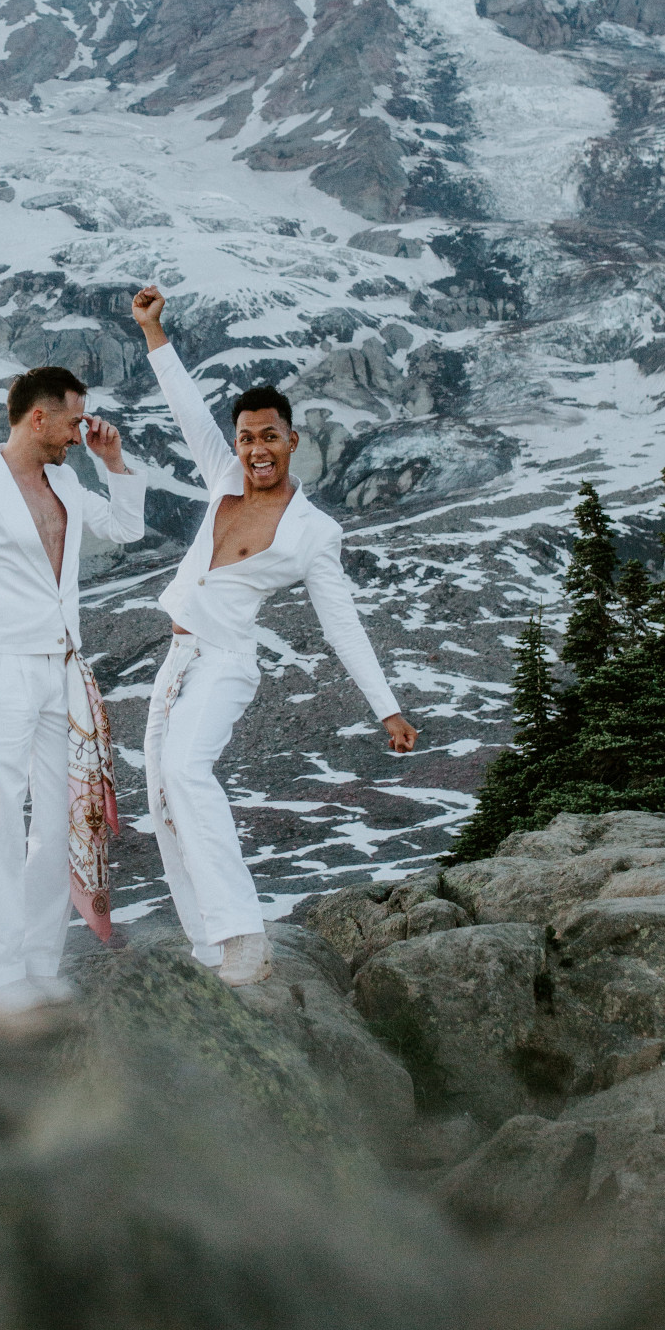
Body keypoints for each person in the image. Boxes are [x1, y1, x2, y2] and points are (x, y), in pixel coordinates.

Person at [131, 286, 416, 986]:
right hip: (177, 659)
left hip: (226, 662)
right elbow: (186, 408)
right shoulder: (223, 477)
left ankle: (244, 937)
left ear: (293, 440)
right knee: (161, 796)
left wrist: (387, 707)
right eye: (247, 437)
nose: (257, 449)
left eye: (269, 437)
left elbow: (340, 622)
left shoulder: (315, 532)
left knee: (187, 772)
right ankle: (208, 949)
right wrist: (152, 331)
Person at [0, 365, 146, 1025]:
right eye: (76, 421)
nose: (82, 433)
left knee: (61, 822)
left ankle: (39, 964)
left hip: (63, 670)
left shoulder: (70, 480)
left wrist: (114, 461)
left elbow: (128, 529)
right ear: (37, 418)